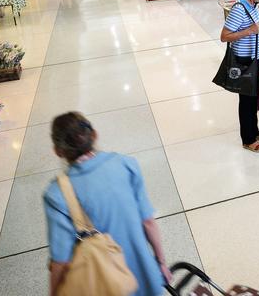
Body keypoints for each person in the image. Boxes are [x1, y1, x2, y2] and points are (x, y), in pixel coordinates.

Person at [43, 112, 171, 296]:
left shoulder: (57, 194)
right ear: (94, 134)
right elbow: (148, 222)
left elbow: (61, 261)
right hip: (145, 277)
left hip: (104, 284)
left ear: (58, 151)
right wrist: (161, 263)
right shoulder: (125, 164)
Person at [220, 0, 259, 153]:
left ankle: (255, 130)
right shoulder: (239, 9)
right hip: (243, 62)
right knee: (246, 100)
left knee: (253, 98)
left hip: (254, 59)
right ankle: (247, 139)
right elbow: (224, 36)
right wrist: (250, 30)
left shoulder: (253, 5)